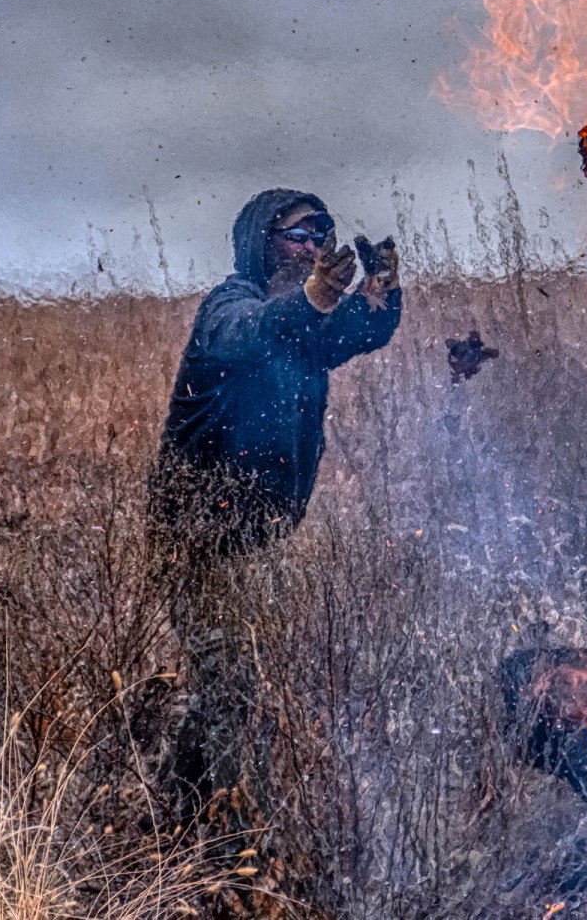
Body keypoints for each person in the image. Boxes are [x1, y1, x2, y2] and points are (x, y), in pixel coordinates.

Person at [147, 188, 401, 850]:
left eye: (320, 235)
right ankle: (240, 849)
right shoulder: (228, 307)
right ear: (261, 243)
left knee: (227, 682)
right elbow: (252, 332)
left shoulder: (302, 327)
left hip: (256, 539)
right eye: (297, 235)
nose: (312, 247)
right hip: (198, 541)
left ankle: (165, 811)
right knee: (234, 688)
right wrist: (312, 300)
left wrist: (381, 291)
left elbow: (360, 330)